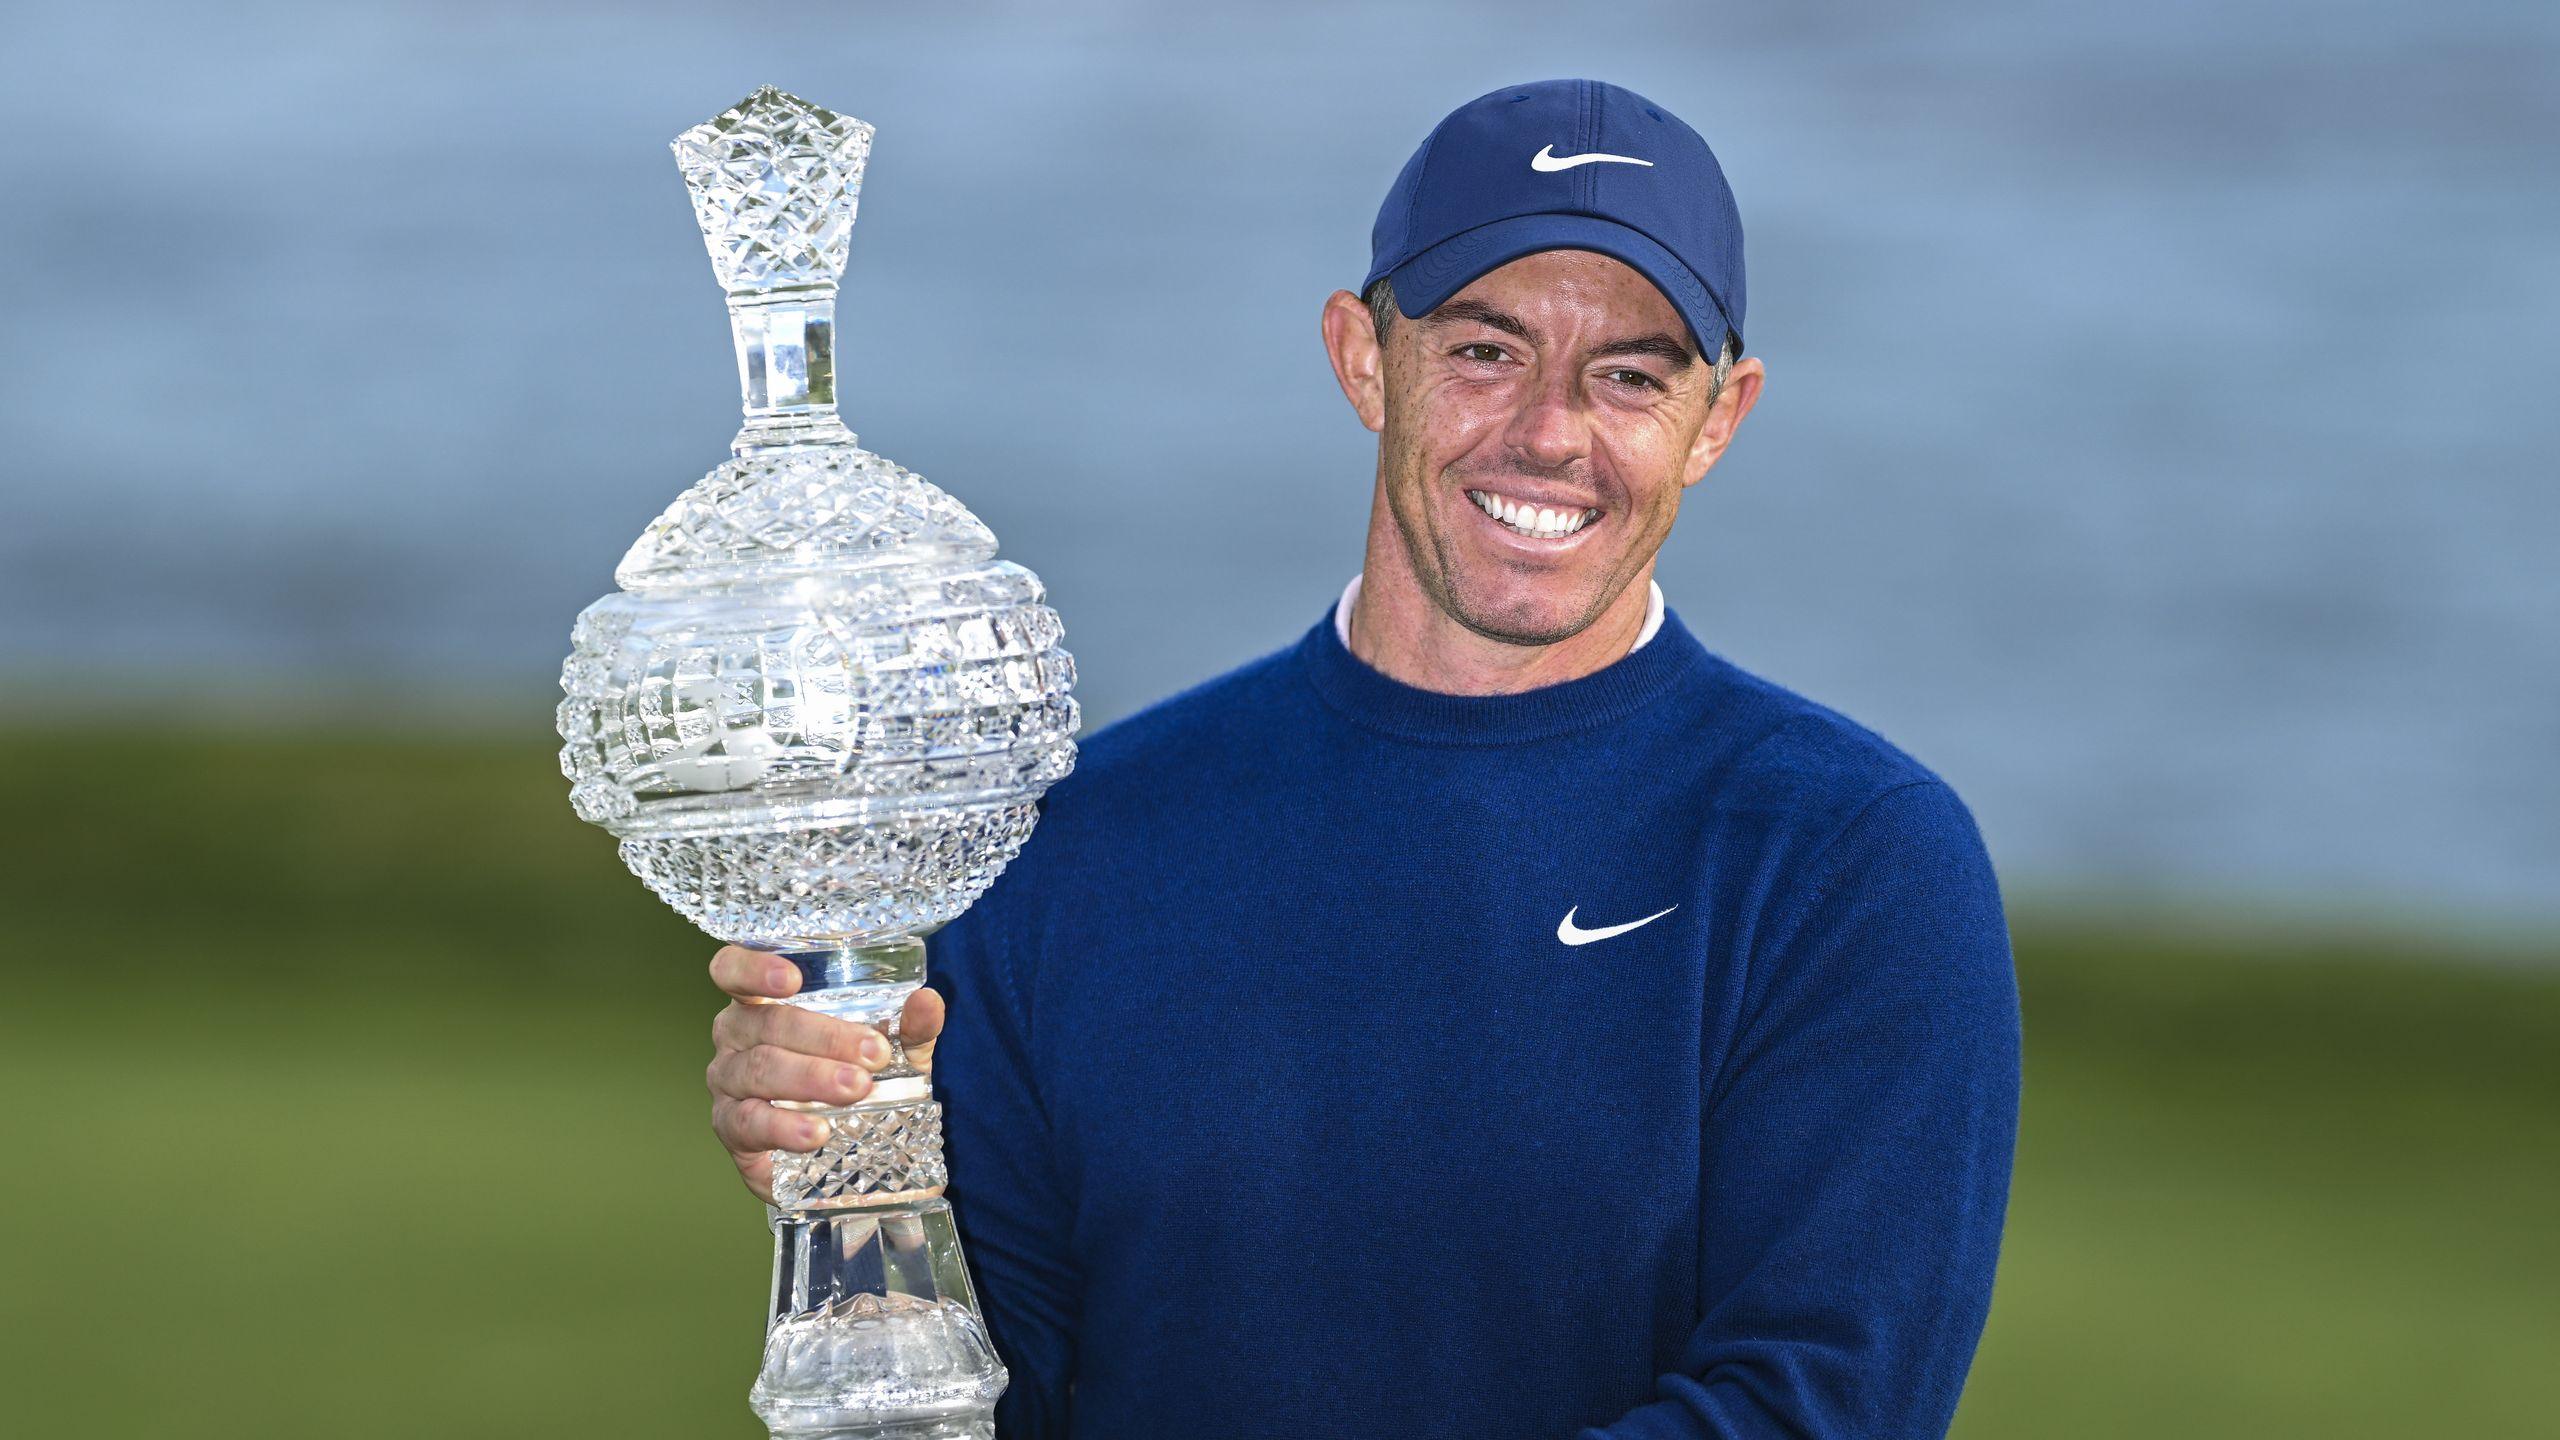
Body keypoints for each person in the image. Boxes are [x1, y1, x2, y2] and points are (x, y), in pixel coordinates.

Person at [704, 78, 2020, 1439]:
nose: (1551, 433)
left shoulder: (1850, 859)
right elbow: (973, 1407)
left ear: (1719, 418)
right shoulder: (1066, 844)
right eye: (1486, 351)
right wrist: (855, 1200)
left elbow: (1817, 1408)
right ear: (1363, 359)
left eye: (1631, 375)